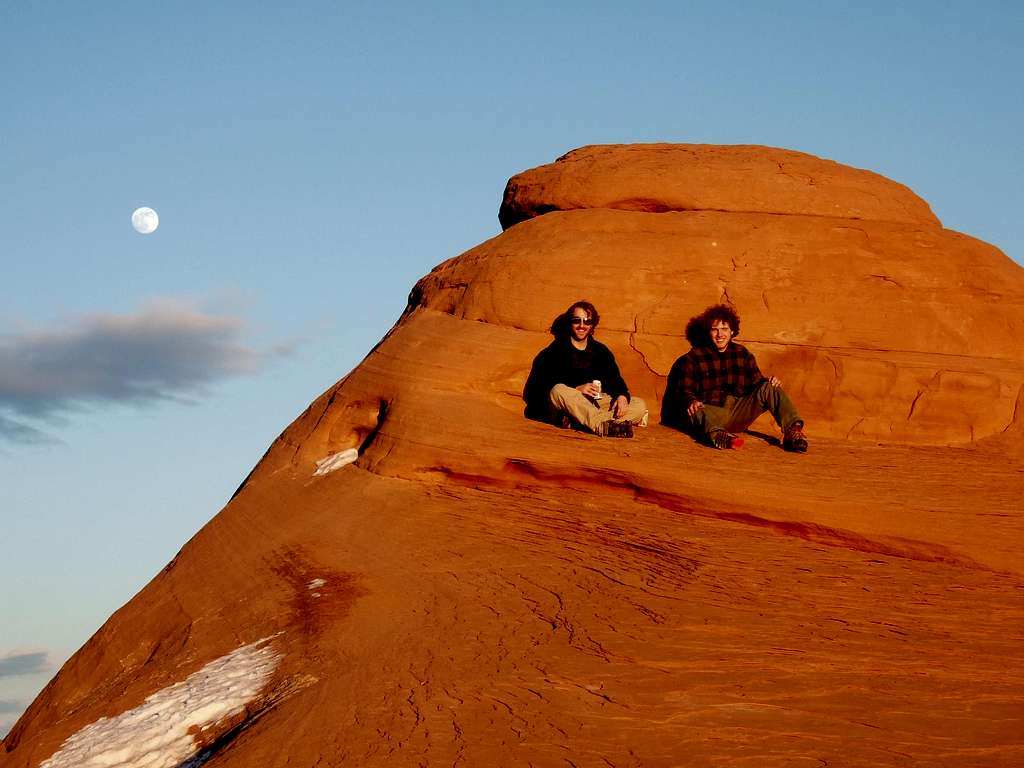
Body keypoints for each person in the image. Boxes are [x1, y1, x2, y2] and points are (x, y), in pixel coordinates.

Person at [662, 304, 808, 451]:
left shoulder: (742, 353)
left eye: (724, 329)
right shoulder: (693, 357)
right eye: (715, 330)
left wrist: (769, 382)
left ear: (732, 331)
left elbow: (757, 381)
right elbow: (684, 389)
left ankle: (793, 433)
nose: (720, 335)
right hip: (712, 413)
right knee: (696, 409)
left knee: (770, 387)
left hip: (738, 411)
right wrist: (691, 401)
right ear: (709, 332)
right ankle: (722, 438)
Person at [524, 300, 648, 438]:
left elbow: (615, 380)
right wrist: (576, 389)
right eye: (577, 321)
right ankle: (601, 425)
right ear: (569, 322)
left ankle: (581, 423)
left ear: (592, 324)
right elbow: (534, 391)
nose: (581, 326)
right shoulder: (552, 352)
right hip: (566, 403)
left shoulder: (601, 351)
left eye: (587, 321)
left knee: (639, 405)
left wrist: (622, 396)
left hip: (593, 404)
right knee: (558, 389)